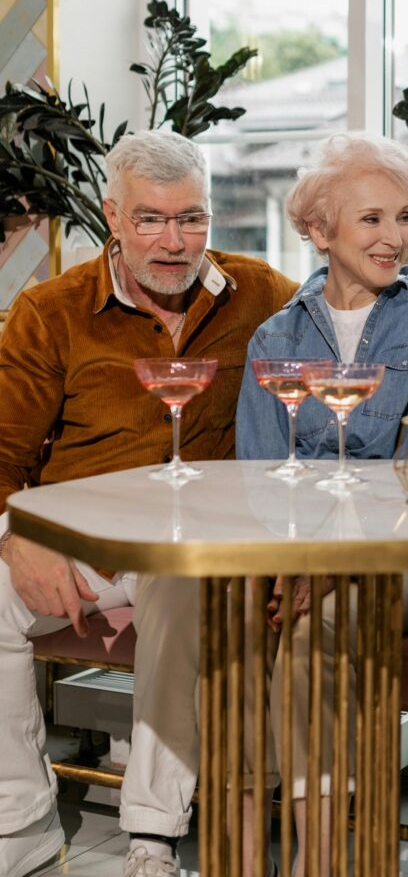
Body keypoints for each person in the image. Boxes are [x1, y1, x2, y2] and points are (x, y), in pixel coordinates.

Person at [0, 129, 297, 877]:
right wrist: (17, 534)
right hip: (82, 542)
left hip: (195, 545)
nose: (174, 242)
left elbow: (367, 307)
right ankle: (21, 825)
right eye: (151, 220)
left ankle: (152, 835)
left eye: (191, 218)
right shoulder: (51, 311)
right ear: (111, 218)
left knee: (182, 576)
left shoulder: (261, 295)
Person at [234, 131, 408, 875]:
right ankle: (237, 851)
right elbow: (260, 473)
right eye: (372, 219)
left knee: (317, 633)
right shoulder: (275, 334)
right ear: (319, 229)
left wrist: (334, 567)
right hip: (295, 550)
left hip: (401, 558)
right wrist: (291, 562)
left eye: (404, 218)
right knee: (226, 620)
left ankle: (319, 857)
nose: (395, 237)